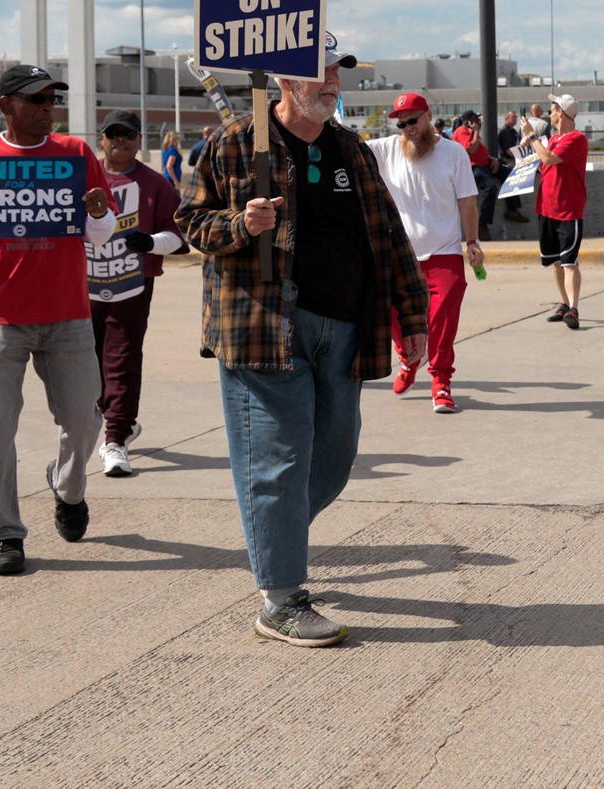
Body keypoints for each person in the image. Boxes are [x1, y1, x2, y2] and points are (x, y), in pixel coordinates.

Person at [175, 43, 429, 648]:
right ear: (287, 80)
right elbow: (189, 222)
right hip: (264, 330)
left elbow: (389, 235)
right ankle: (281, 598)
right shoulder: (236, 142)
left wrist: (411, 314)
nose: (335, 82)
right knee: (280, 462)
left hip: (344, 330)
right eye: (325, 71)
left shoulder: (351, 151)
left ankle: (274, 537)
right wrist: (242, 225)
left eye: (339, 72)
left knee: (335, 461)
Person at [0, 64, 115, 577]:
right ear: (5, 106)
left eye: (51, 99)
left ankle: (68, 486)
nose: (45, 108)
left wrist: (99, 213)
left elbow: (99, 235)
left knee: (83, 420)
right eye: (34, 100)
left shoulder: (76, 156)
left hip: (68, 316)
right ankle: (6, 533)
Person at [87, 110, 187, 477]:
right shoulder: (84, 176)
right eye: (113, 135)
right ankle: (123, 424)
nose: (120, 141)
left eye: (127, 135)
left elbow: (178, 238)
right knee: (87, 364)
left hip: (132, 285)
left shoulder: (156, 185)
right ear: (102, 139)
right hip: (84, 285)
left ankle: (114, 438)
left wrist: (148, 242)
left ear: (138, 140)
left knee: (122, 361)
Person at [370, 93, 484, 414]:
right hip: (401, 255)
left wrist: (472, 242)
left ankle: (440, 382)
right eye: (402, 123)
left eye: (414, 120)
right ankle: (409, 357)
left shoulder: (454, 153)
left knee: (443, 314)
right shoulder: (386, 150)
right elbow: (346, 146)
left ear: (428, 115)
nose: (408, 128)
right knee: (385, 308)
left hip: (444, 251)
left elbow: (467, 201)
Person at [533, 93, 589, 330]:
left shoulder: (577, 139)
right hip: (546, 208)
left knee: (569, 262)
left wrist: (531, 137)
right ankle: (564, 304)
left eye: (553, 108)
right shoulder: (554, 138)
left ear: (563, 113)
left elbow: (549, 158)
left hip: (568, 209)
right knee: (554, 262)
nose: (550, 112)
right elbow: (542, 164)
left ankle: (574, 308)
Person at [451, 109, 499, 235]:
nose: (478, 122)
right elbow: (471, 149)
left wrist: (491, 158)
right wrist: (476, 131)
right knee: (491, 187)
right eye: (475, 119)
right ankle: (482, 223)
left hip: (484, 163)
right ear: (468, 122)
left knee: (510, 174)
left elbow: (479, 151)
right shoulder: (462, 131)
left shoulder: (472, 132)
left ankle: (513, 208)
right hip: (473, 167)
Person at [496, 111, 531, 224]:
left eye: (516, 117)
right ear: (506, 118)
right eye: (513, 117)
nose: (515, 119)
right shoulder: (505, 132)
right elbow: (509, 151)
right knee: (513, 176)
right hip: (506, 161)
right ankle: (512, 209)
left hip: (514, 159)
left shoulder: (513, 131)